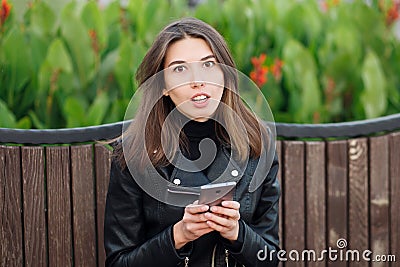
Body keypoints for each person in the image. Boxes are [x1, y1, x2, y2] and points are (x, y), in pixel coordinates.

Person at [104, 17, 280, 267]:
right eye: (179, 69)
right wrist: (178, 236)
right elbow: (118, 262)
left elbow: (271, 258)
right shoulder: (134, 154)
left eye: (208, 64)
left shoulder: (257, 144)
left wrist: (237, 234)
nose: (197, 80)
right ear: (162, 86)